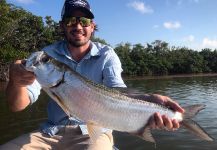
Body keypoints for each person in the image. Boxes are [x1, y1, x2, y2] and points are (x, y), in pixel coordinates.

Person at [1, 0, 184, 149]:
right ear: (63, 26)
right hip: (50, 133)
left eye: (85, 21)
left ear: (92, 26)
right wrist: (16, 82)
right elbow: (17, 106)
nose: (78, 26)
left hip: (95, 133)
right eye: (71, 20)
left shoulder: (106, 54)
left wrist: (150, 99)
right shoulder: (47, 55)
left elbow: (118, 93)